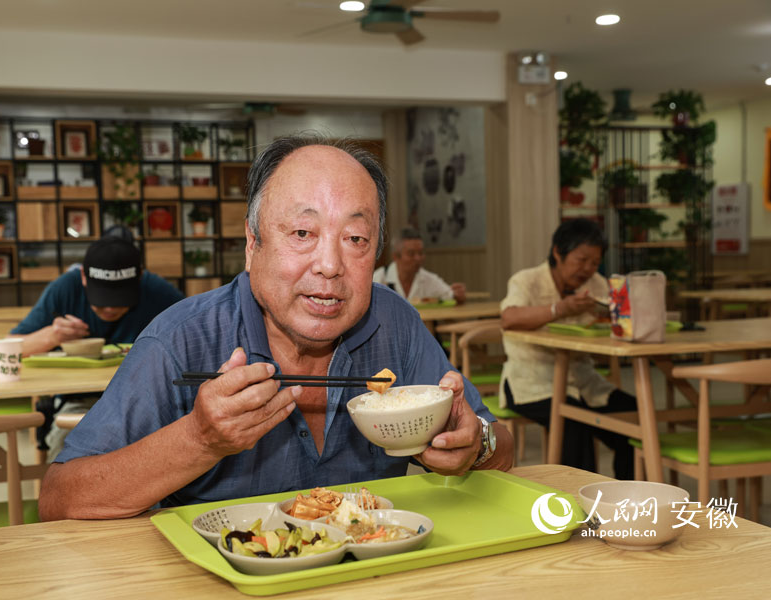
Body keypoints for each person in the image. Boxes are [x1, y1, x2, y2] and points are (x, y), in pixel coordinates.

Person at [39, 136, 513, 521]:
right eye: (302, 234)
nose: (329, 266)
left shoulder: (394, 324)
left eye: (355, 239)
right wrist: (199, 439)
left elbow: (502, 445)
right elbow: (59, 499)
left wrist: (474, 443)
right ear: (252, 243)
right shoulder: (181, 339)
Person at [10, 231, 184, 457]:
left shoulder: (157, 292)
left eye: (120, 300)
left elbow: (196, 337)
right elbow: (10, 348)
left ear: (139, 277)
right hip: (79, 399)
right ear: (84, 277)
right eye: (101, 301)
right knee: (68, 448)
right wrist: (51, 336)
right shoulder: (65, 288)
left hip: (144, 398)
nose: (110, 309)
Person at [498, 219, 636, 479]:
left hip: (585, 381)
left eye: (594, 263)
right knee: (574, 423)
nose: (587, 269)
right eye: (581, 260)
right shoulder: (526, 280)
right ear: (557, 253)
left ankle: (628, 501)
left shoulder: (597, 284)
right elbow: (509, 318)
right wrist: (559, 309)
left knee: (634, 418)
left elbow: (616, 322)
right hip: (530, 381)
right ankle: (578, 509)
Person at [373, 228, 467, 304]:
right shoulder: (378, 279)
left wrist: (458, 294)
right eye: (411, 254)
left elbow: (451, 296)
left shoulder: (428, 279)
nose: (418, 258)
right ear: (396, 257)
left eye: (421, 253)